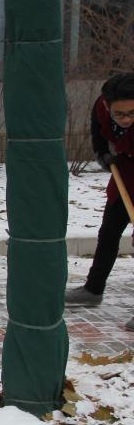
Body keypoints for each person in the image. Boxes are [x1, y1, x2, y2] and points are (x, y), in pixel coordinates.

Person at [64, 73, 134, 332]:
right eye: (120, 114)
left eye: (132, 113)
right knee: (108, 234)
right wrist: (103, 155)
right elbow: (98, 134)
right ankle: (93, 290)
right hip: (124, 176)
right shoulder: (101, 107)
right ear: (107, 105)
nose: (125, 119)